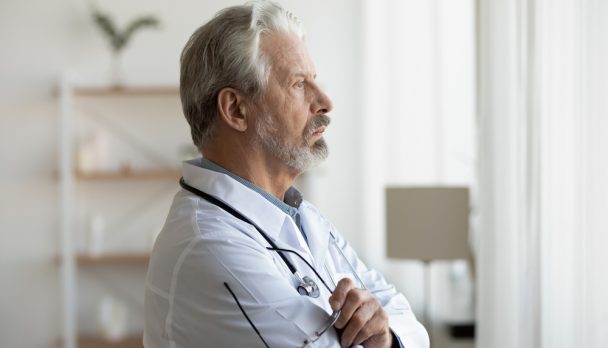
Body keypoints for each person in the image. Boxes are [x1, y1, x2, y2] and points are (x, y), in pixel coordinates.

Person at [144, 1, 429, 347]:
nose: (324, 101)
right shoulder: (211, 246)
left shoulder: (303, 219)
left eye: (314, 80)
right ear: (236, 109)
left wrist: (385, 336)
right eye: (298, 84)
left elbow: (404, 317)